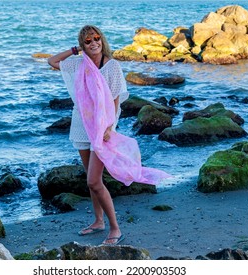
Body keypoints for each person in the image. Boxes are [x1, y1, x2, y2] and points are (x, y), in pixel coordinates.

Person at [48, 25, 170, 246]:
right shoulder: (80, 63)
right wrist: (74, 50)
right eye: (88, 41)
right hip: (81, 123)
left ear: (102, 40)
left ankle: (115, 228)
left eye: (96, 38)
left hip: (102, 126)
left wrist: (108, 127)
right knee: (90, 179)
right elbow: (52, 62)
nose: (94, 43)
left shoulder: (111, 66)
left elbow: (115, 100)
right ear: (82, 44)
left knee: (94, 180)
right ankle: (98, 221)